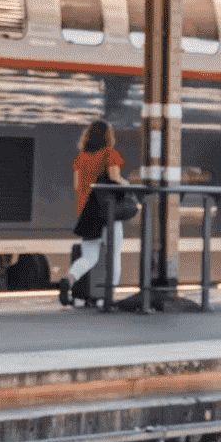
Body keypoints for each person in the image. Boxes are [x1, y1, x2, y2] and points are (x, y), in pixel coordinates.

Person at [65, 119, 126, 307]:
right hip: (107, 213)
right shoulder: (110, 155)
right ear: (108, 137)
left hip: (87, 213)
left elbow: (77, 186)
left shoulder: (80, 158)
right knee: (114, 253)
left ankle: (69, 279)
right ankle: (109, 295)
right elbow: (115, 178)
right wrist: (127, 185)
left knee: (89, 256)